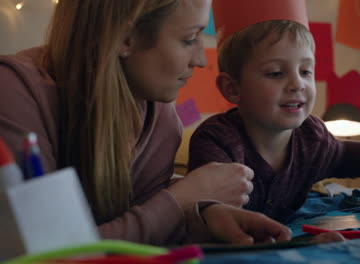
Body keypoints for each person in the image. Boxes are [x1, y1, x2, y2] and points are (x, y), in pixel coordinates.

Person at [0, 0, 292, 245]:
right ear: (126, 38)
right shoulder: (13, 92)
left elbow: (138, 226)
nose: (202, 60)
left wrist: (203, 219)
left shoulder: (161, 118)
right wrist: (180, 200)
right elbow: (51, 253)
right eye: (190, 38)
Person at [188, 18, 360, 223]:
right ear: (232, 88)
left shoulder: (312, 137)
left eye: (306, 71)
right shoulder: (216, 140)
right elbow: (207, 211)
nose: (297, 84)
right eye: (276, 73)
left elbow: (345, 156)